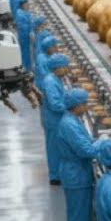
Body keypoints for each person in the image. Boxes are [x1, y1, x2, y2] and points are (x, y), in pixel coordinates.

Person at [54, 89, 101, 221]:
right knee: (79, 216)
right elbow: (85, 150)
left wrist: (97, 141)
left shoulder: (72, 120)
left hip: (78, 171)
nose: (86, 106)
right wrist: (104, 146)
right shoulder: (69, 125)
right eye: (84, 103)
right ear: (76, 105)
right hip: (76, 175)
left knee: (82, 214)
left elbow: (87, 141)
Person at [37, 49, 69, 186]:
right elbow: (55, 104)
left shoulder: (55, 79)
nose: (67, 69)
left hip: (55, 119)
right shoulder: (50, 81)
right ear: (58, 67)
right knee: (54, 148)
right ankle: (55, 176)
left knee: (56, 147)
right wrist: (70, 105)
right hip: (53, 120)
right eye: (65, 66)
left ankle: (57, 173)